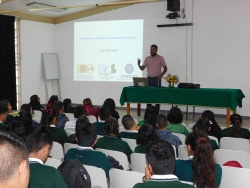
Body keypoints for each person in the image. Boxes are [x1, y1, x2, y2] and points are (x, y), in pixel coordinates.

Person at [137, 44, 167, 116]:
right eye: (151, 49)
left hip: (157, 79)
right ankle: (148, 114)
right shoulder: (147, 58)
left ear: (156, 50)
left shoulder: (160, 58)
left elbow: (165, 68)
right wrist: (139, 64)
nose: (152, 51)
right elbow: (142, 68)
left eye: (154, 49)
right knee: (149, 97)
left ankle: (156, 113)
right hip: (149, 79)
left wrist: (161, 75)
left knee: (157, 96)